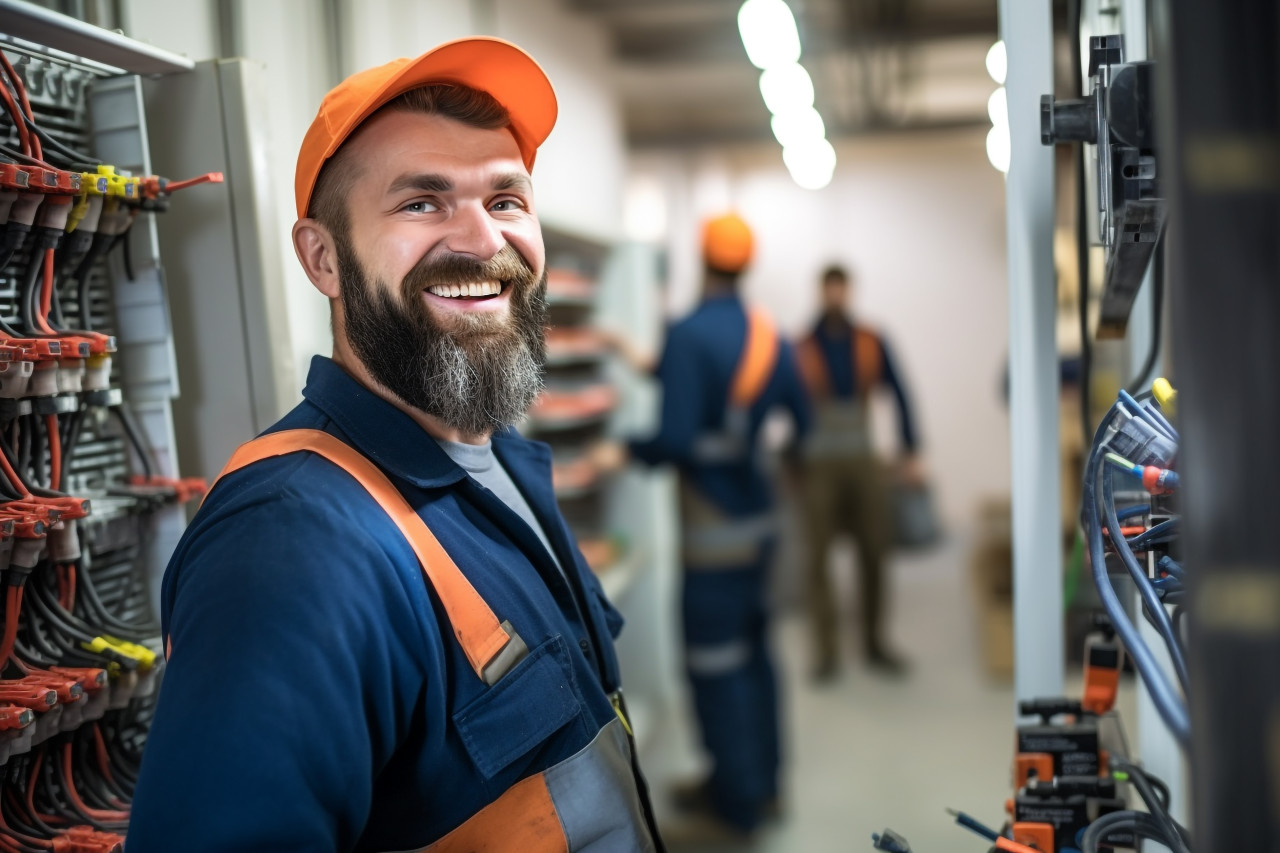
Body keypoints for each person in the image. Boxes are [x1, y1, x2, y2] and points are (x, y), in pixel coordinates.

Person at [128, 38, 661, 852]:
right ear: (323, 258)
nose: (482, 241)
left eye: (506, 199)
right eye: (422, 202)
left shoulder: (502, 464)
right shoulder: (293, 544)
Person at [592, 213, 810, 839]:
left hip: (711, 543)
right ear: (747, 264)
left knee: (715, 668)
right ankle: (765, 786)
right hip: (759, 528)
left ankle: (733, 802)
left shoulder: (689, 335)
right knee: (758, 659)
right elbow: (800, 421)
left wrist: (623, 450)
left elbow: (676, 436)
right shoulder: (771, 336)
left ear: (702, 258)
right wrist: (640, 361)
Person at [796, 264, 922, 681]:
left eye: (840, 288)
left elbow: (901, 392)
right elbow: (785, 401)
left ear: (848, 291)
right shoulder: (801, 345)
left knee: (874, 549)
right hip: (818, 465)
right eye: (828, 289)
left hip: (864, 461)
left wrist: (910, 449)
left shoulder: (870, 339)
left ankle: (874, 642)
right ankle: (826, 652)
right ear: (821, 292)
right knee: (818, 558)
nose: (835, 296)